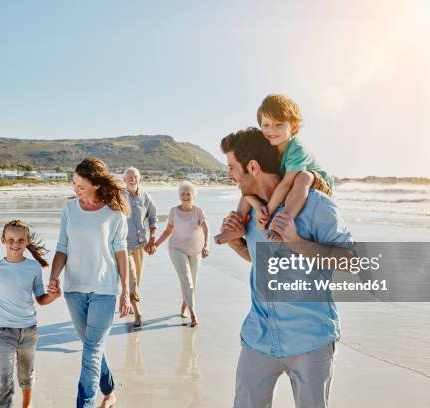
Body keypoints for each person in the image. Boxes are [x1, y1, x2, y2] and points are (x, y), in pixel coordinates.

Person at [219, 128, 355, 408]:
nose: (229, 175)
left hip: (310, 339)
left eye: (232, 168)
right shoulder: (253, 212)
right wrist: (236, 243)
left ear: (253, 167)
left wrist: (296, 241)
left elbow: (350, 261)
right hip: (259, 336)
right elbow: (260, 259)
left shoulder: (317, 206)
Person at [48, 158, 132, 408]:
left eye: (81, 185)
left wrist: (126, 291)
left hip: (104, 291)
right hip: (74, 289)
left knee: (92, 350)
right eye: (74, 183)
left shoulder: (115, 214)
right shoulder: (70, 210)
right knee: (90, 348)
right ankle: (109, 390)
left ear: (95, 184)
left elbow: (121, 253)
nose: (76, 189)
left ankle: (84, 403)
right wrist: (54, 276)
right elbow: (62, 248)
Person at [215, 94, 334, 243]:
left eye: (279, 125)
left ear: (294, 126)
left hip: (318, 183)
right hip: (290, 182)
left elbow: (286, 184)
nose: (272, 130)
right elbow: (252, 185)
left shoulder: (297, 149)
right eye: (266, 125)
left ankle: (282, 225)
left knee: (303, 177)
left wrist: (267, 213)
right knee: (248, 180)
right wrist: (258, 206)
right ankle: (235, 227)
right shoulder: (270, 147)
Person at [0, 220, 60, 408]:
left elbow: (40, 299)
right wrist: (2, 314)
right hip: (3, 331)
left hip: (29, 330)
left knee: (25, 374)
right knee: (3, 378)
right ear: (3, 240)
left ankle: (26, 406)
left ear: (27, 241)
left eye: (21, 240)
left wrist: (53, 296)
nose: (15, 244)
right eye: (11, 239)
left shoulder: (33, 267)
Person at [152, 181, 210, 327]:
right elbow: (167, 231)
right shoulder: (174, 211)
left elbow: (206, 229)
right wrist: (156, 244)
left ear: (193, 195)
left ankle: (185, 304)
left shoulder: (198, 211)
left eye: (188, 194)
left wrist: (206, 245)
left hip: (196, 250)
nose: (185, 196)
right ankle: (193, 314)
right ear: (179, 196)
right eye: (183, 194)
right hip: (176, 249)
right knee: (187, 280)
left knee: (193, 284)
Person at [123, 166, 158, 328]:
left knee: (137, 278)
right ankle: (137, 312)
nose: (132, 179)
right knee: (132, 277)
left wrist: (152, 239)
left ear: (139, 179)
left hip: (141, 245)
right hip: (122, 245)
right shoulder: (119, 197)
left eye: (135, 176)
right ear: (124, 180)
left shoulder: (146, 197)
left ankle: (129, 298)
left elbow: (153, 218)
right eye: (129, 176)